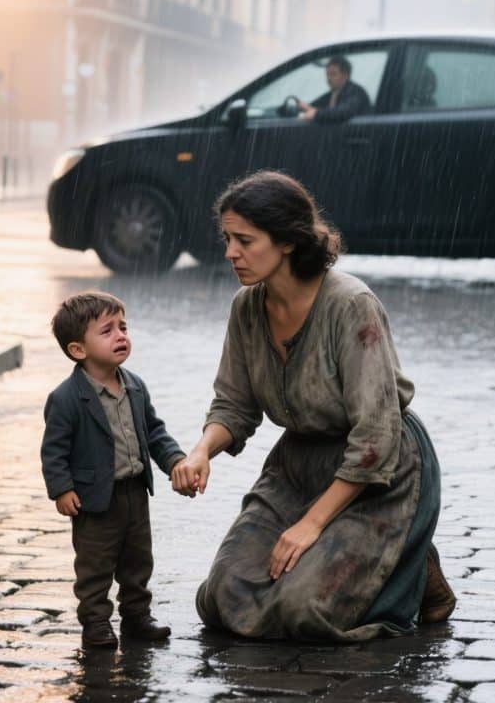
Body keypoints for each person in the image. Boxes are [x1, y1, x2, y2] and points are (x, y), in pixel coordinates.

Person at [171, 171, 455, 642]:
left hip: (378, 472)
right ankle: (398, 558)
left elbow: (375, 437)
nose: (229, 253)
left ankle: (413, 566)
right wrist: (201, 451)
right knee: (221, 598)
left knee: (303, 610)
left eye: (245, 240)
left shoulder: (351, 305)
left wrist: (311, 525)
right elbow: (234, 406)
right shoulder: (246, 307)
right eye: (226, 239)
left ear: (286, 241)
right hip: (298, 468)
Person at [41, 292, 185, 650]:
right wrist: (62, 489)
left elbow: (153, 432)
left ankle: (137, 617)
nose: (121, 335)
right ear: (78, 350)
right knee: (95, 565)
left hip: (135, 491)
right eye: (107, 331)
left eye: (123, 326)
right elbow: (54, 450)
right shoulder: (67, 398)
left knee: (138, 560)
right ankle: (95, 622)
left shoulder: (134, 385)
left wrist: (175, 461)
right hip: (93, 499)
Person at [298, 55, 370, 123]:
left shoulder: (356, 92)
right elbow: (317, 106)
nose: (329, 79)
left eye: (333, 74)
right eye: (327, 74)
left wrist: (316, 114)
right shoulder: (333, 94)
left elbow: (342, 112)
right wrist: (306, 107)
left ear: (345, 75)